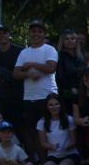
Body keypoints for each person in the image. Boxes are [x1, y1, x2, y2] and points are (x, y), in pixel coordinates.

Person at [12, 20, 59, 157]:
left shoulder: (49, 49)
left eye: (39, 31)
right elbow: (15, 73)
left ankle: (55, 157)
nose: (36, 34)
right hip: (29, 97)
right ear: (29, 33)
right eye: (33, 31)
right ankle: (39, 160)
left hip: (48, 96)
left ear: (44, 34)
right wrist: (28, 74)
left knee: (50, 129)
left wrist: (32, 64)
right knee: (33, 130)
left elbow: (51, 68)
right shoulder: (24, 52)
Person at [36, 93, 81, 165]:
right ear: (46, 107)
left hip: (69, 154)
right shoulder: (42, 122)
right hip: (53, 155)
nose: (54, 107)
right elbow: (43, 142)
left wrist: (65, 148)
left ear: (61, 105)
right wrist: (52, 147)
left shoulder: (69, 119)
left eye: (56, 104)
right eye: (51, 105)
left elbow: (73, 140)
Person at [0, 23, 24, 127]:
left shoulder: (20, 51)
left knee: (21, 126)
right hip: (3, 96)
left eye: (4, 33)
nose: (2, 35)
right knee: (5, 126)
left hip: (20, 95)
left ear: (9, 35)